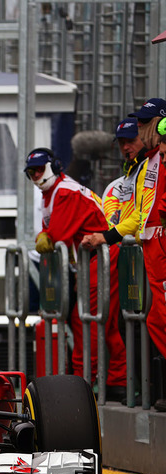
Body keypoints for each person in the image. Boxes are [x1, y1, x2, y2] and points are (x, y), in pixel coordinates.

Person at [25, 147, 127, 394]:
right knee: (102, 322)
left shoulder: (64, 193)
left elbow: (56, 236)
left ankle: (84, 382)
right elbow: (50, 234)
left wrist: (46, 237)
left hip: (99, 257)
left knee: (87, 320)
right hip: (90, 260)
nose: (37, 175)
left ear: (53, 167)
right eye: (31, 172)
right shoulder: (54, 193)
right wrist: (46, 236)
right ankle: (118, 380)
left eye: (40, 169)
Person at [128, 99, 166, 373]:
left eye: (144, 122)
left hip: (160, 247)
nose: (139, 128)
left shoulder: (160, 157)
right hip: (151, 247)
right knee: (155, 318)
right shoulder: (150, 159)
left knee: (161, 315)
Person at [82, 117, 147, 249]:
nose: (125, 147)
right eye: (121, 143)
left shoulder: (150, 167)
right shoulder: (126, 177)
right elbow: (116, 220)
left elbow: (140, 215)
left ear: (144, 137)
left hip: (146, 250)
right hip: (129, 251)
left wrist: (106, 237)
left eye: (131, 141)